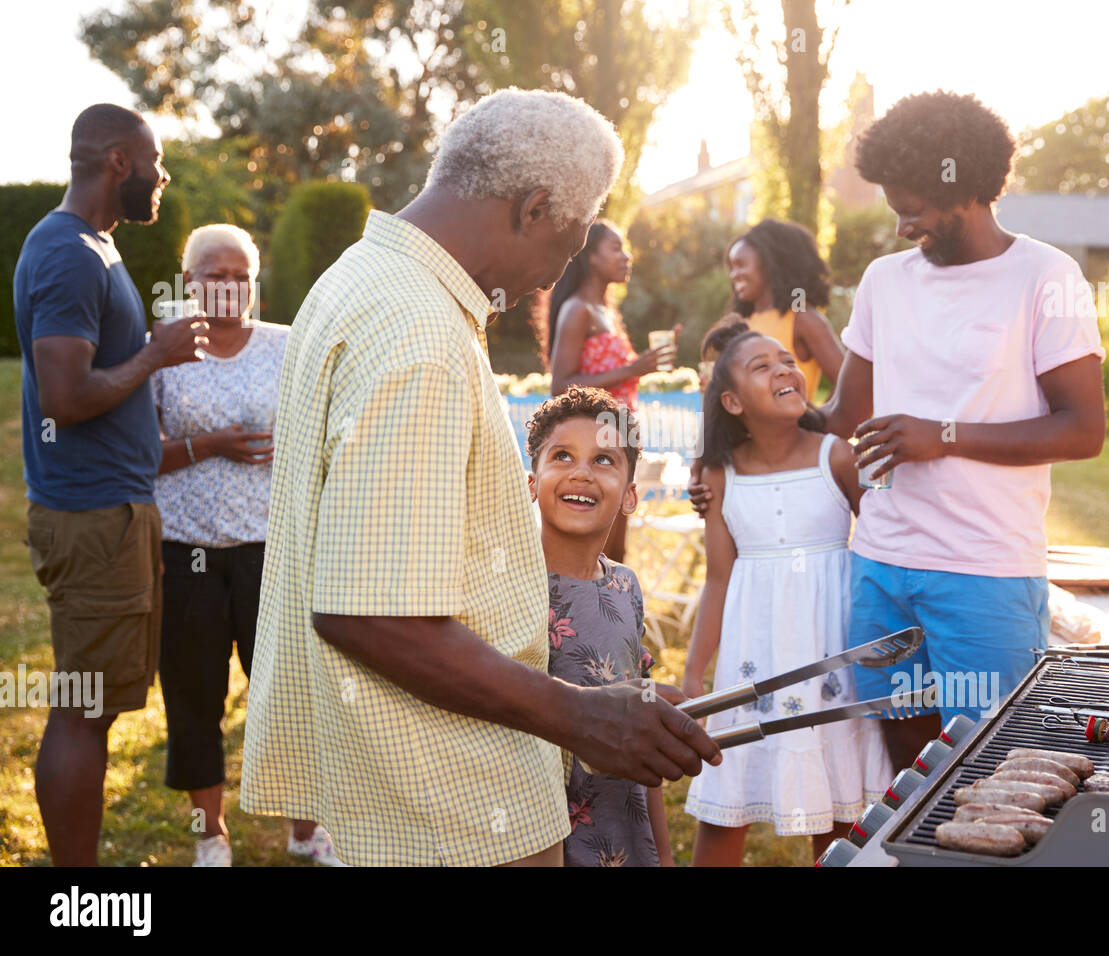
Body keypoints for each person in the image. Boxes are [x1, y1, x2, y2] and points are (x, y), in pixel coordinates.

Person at [239, 88, 720, 868]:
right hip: (450, 800)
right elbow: (369, 614)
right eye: (564, 251)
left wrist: (602, 698)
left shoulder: (357, 279)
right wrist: (582, 718)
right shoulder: (419, 334)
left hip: (416, 779)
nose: (546, 281)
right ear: (534, 208)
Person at [819, 91, 1104, 771]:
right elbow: (840, 418)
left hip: (985, 571)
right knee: (908, 769)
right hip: (881, 565)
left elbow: (1082, 429)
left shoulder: (1045, 276)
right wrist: (734, 430)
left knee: (992, 767)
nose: (900, 228)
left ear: (965, 190)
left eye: (912, 209)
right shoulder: (885, 281)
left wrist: (942, 435)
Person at [14, 103, 209, 866]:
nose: (164, 177)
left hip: (114, 515)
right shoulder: (68, 251)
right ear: (118, 162)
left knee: (91, 706)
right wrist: (155, 356)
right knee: (82, 710)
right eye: (155, 162)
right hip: (94, 518)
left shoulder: (92, 246)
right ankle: (78, 894)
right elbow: (66, 396)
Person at [150, 224, 339, 866]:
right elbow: (136, 455)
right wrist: (211, 445)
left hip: (272, 552)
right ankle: (211, 835)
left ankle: (307, 830)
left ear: (253, 285)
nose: (228, 286)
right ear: (189, 281)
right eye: (213, 274)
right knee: (195, 696)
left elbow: (325, 430)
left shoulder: (289, 346)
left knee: (288, 694)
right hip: (188, 553)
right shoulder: (163, 351)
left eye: (240, 276)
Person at [682, 324, 889, 866]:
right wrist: (692, 674)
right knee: (728, 795)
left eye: (787, 360)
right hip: (754, 657)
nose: (784, 370)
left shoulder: (836, 456)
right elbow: (718, 579)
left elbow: (878, 549)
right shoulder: (718, 475)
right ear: (731, 402)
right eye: (762, 366)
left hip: (832, 652)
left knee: (843, 803)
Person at [524, 386, 673, 867]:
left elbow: (640, 728)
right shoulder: (512, 590)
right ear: (532, 482)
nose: (582, 472)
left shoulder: (625, 587)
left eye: (604, 460)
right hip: (537, 839)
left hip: (622, 834)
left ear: (630, 495)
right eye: (562, 456)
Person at [545, 219, 677, 562]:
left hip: (620, 439)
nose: (627, 256)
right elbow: (560, 384)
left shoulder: (607, 313)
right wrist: (633, 369)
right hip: (595, 443)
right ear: (591, 257)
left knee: (617, 549)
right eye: (616, 248)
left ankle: (614, 612)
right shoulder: (578, 311)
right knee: (596, 551)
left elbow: (615, 377)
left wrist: (643, 366)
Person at [726, 219, 844, 396]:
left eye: (741, 265)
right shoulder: (743, 322)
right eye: (731, 267)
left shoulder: (802, 318)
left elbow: (847, 383)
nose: (733, 275)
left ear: (770, 264)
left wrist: (819, 421)